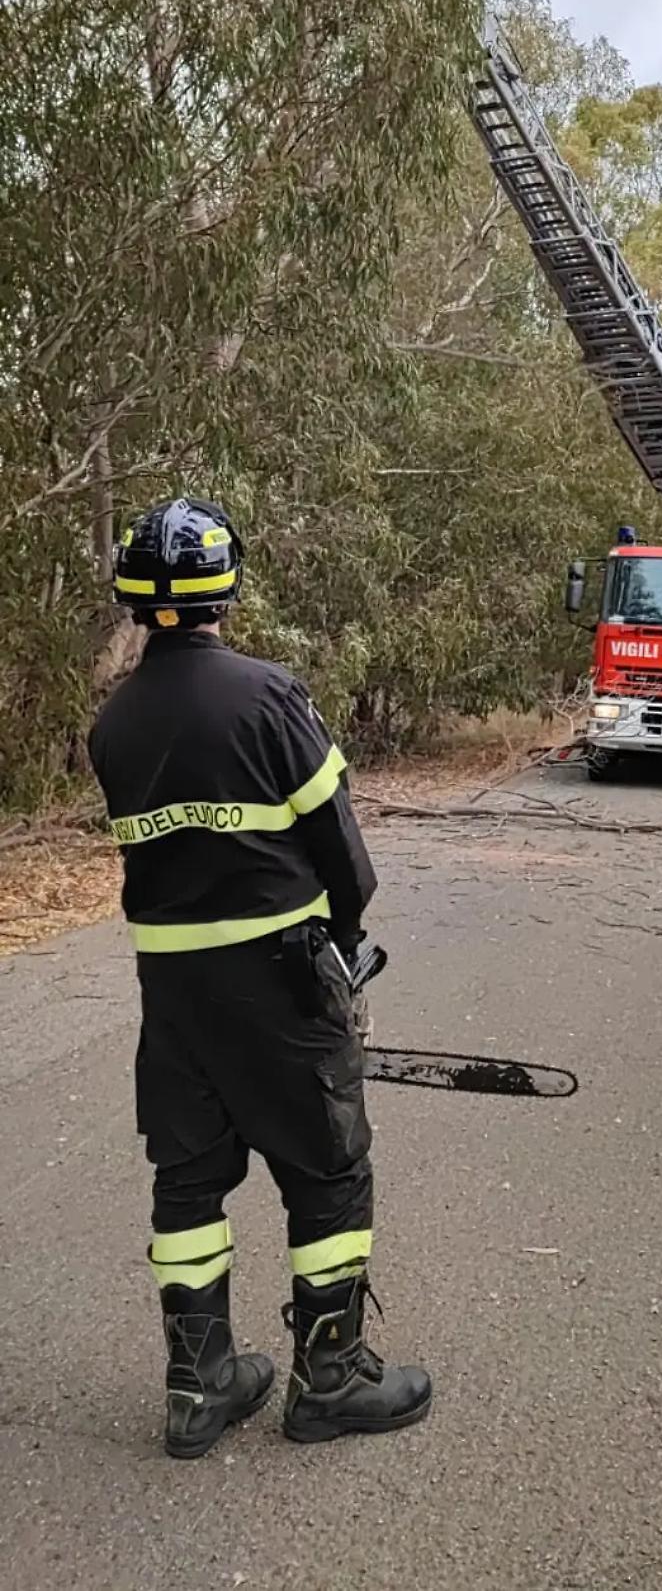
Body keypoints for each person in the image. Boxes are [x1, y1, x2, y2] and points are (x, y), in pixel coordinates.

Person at [88, 497, 431, 1459]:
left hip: (173, 992)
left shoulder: (113, 723)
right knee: (329, 1169)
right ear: (224, 588)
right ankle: (332, 1376)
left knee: (187, 1179)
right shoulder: (269, 697)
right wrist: (347, 940)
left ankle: (199, 1386)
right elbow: (342, 850)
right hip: (282, 979)